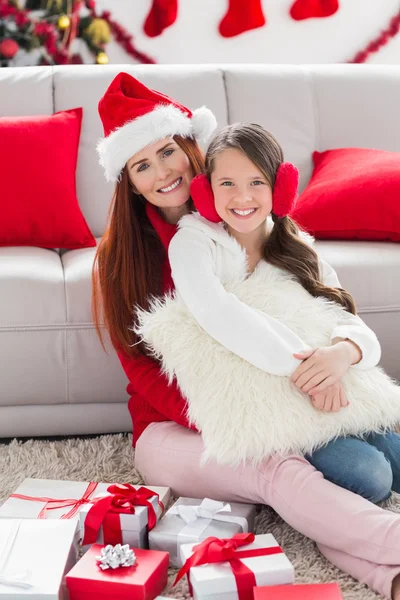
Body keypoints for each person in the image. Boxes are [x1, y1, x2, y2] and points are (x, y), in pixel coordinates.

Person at [92, 72, 400, 599]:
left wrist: (329, 366)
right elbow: (141, 370)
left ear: (192, 148)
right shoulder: (125, 259)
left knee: (351, 470)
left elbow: (305, 307)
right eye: (142, 165)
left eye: (168, 152)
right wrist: (241, 419)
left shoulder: (239, 220)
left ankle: (387, 577)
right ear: (130, 180)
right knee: (279, 469)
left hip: (280, 401)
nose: (163, 172)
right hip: (177, 427)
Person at [135, 121, 400, 488]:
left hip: (332, 386)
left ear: (280, 188)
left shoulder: (295, 243)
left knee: (395, 457)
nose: (242, 198)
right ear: (206, 190)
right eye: (227, 184)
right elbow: (218, 313)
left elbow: (345, 316)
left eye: (256, 182)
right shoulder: (193, 244)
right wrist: (309, 375)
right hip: (281, 404)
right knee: (372, 477)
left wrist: (343, 353)